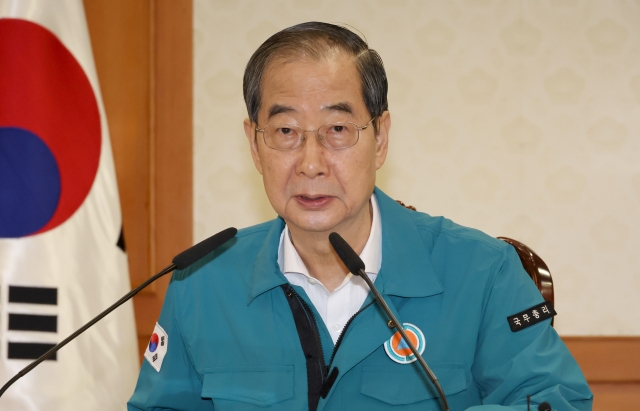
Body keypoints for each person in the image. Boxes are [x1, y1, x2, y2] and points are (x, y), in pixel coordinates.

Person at [128, 22, 592, 410]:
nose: (311, 163)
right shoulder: (202, 285)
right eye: (285, 131)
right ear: (254, 143)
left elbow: (554, 399)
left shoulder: (482, 272)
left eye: (337, 129)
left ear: (381, 138)